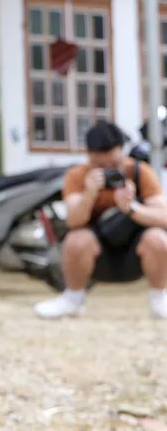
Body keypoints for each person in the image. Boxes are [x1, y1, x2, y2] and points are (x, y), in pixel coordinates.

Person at [34, 119, 167, 319]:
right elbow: (73, 222)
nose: (109, 172)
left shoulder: (140, 172)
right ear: (89, 156)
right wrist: (89, 194)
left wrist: (132, 208)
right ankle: (72, 298)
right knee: (76, 239)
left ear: (122, 150)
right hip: (97, 254)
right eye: (101, 167)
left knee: (157, 238)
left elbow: (164, 217)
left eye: (114, 166)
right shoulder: (77, 176)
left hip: (135, 254)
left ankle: (159, 300)